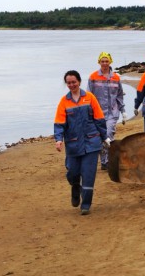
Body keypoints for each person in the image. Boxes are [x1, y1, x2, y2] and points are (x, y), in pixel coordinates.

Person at [54, 70, 110, 215]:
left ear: (79, 81)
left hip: (91, 142)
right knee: (73, 172)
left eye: (74, 82)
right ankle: (74, 186)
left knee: (88, 174)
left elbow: (99, 118)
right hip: (73, 144)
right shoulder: (64, 102)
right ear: (66, 84)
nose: (72, 85)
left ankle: (85, 204)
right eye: (69, 83)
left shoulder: (90, 98)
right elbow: (59, 123)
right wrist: (59, 140)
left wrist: (105, 137)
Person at [88, 52, 127, 171]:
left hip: (112, 112)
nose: (104, 63)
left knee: (108, 134)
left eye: (106, 61)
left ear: (110, 62)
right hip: (98, 113)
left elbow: (119, 95)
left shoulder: (116, 77)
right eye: (102, 61)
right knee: (101, 137)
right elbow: (89, 96)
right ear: (99, 62)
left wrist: (123, 111)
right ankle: (105, 161)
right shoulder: (93, 77)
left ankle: (107, 160)